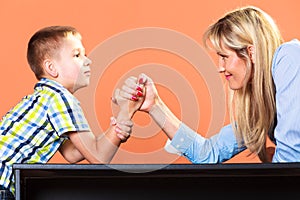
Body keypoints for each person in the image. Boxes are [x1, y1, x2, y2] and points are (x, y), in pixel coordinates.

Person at [116, 6, 300, 164]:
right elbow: (208, 153)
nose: (220, 68)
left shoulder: (290, 57)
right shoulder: (265, 102)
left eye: (224, 57)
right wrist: (155, 106)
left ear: (250, 52)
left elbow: (290, 159)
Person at [0, 26, 144, 199]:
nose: (88, 60)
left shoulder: (44, 98)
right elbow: (98, 157)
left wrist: (122, 117)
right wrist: (124, 115)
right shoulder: (61, 98)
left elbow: (73, 154)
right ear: (51, 68)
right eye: (77, 55)